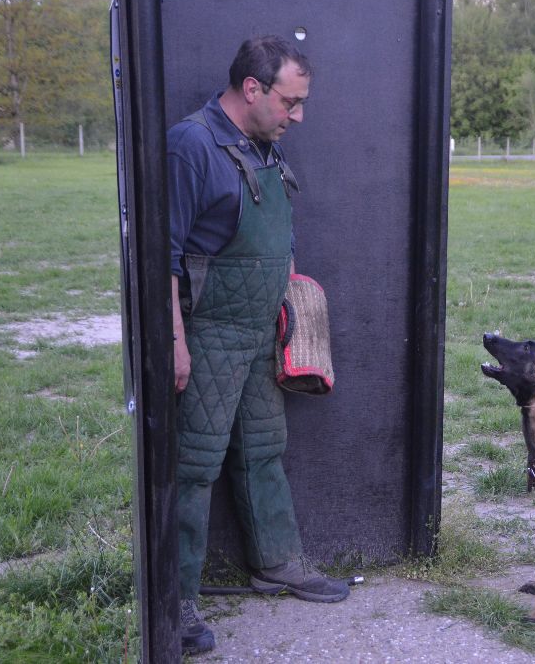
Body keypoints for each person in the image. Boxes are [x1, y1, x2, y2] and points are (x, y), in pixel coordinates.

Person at [168, 35, 349, 656]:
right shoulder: (192, 144)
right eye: (290, 102)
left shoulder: (264, 146)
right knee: (194, 466)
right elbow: (164, 256)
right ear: (253, 89)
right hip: (210, 334)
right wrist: (174, 342)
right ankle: (178, 598)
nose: (297, 116)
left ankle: (278, 562)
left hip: (259, 331)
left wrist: (291, 311)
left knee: (265, 450)